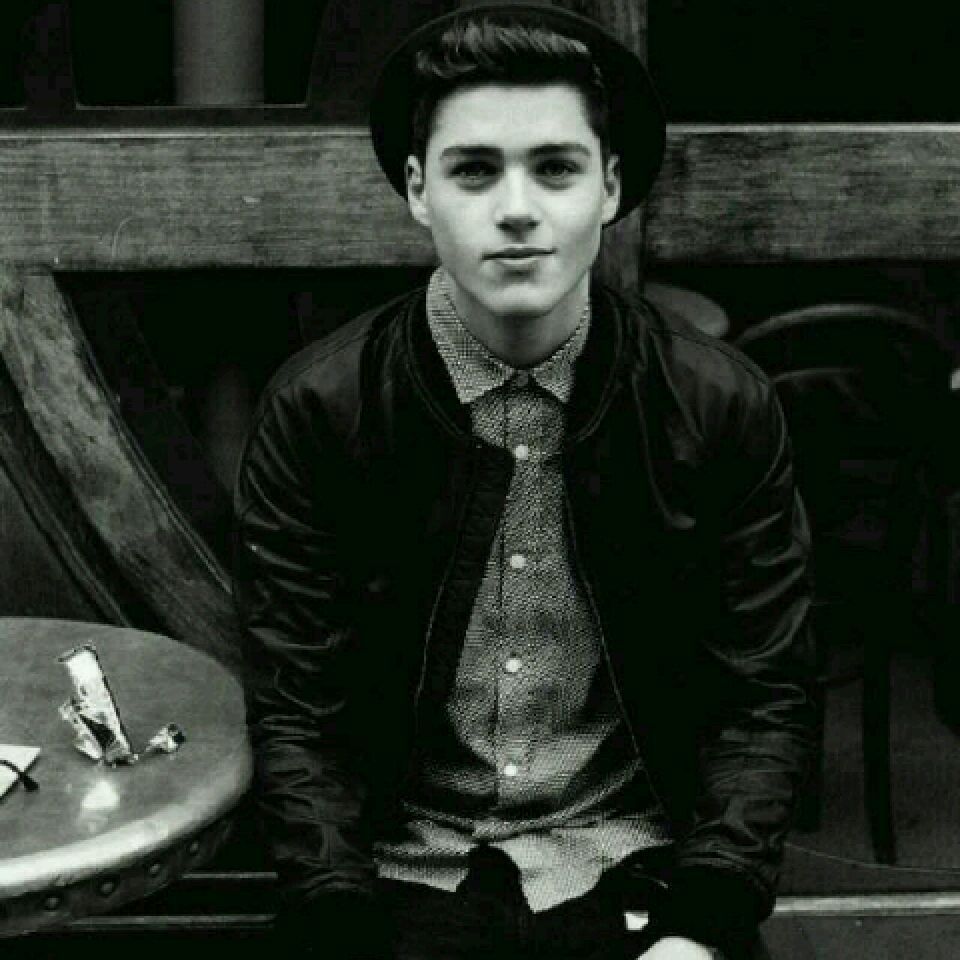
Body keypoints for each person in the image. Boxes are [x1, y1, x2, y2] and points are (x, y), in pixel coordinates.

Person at [232, 3, 815, 958]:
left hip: (638, 860)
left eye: (555, 168)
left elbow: (764, 694)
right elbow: (297, 709)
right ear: (418, 190)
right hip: (399, 869)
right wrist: (335, 914)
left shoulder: (716, 403)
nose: (516, 207)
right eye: (474, 170)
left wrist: (704, 922)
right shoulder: (321, 409)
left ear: (609, 187)